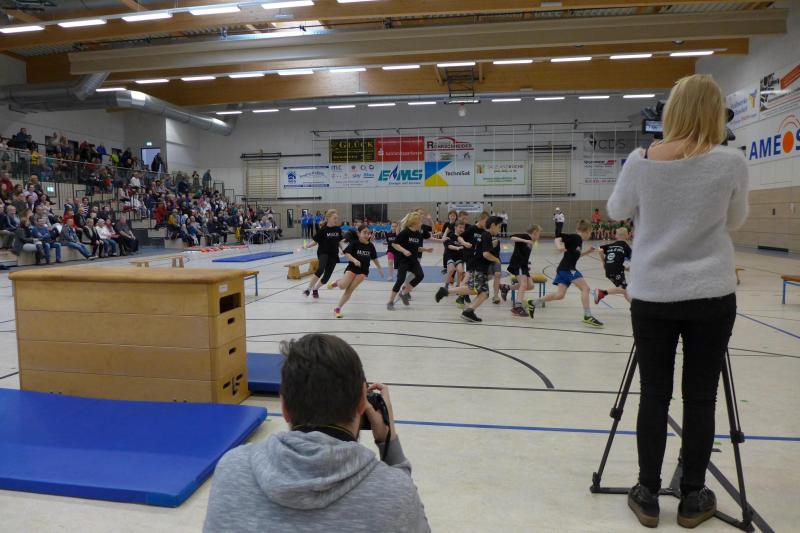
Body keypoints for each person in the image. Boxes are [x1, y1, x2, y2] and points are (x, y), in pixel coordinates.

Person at [607, 74, 749, 529]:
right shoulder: (731, 162)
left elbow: (616, 210)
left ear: (673, 111)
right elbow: (736, 220)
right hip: (711, 293)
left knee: (654, 393)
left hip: (653, 294)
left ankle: (647, 492)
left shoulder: (642, 160)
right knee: (701, 396)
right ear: (715, 113)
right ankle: (692, 496)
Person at [204, 334, 429, 532]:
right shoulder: (394, 493)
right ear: (363, 401)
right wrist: (389, 443)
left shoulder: (232, 469)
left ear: (284, 407)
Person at [525, 220, 602, 328]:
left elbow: (574, 255)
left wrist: (587, 252)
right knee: (585, 288)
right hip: (567, 269)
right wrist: (559, 246)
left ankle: (533, 303)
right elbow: (558, 238)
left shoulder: (578, 241)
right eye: (590, 233)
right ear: (587, 231)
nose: (590, 235)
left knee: (560, 295)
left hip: (563, 269)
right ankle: (587, 316)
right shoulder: (576, 237)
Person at [435, 216, 503, 323]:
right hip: (478, 266)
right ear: (493, 225)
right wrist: (496, 260)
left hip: (479, 266)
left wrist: (491, 244)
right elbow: (485, 254)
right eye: (499, 227)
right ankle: (447, 293)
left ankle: (468, 311)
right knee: (476, 290)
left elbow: (482, 248)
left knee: (483, 293)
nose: (499, 230)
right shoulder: (486, 235)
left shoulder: (485, 235)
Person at [329, 225, 384, 318]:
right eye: (364, 233)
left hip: (363, 271)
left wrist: (379, 268)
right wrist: (354, 260)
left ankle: (337, 309)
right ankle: (337, 282)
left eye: (368, 233)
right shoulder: (354, 243)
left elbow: (374, 258)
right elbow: (347, 254)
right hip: (352, 268)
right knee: (342, 286)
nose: (366, 235)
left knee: (350, 290)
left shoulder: (370, 246)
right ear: (359, 234)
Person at [387, 212, 432, 310]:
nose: (421, 223)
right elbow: (394, 244)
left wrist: (426, 250)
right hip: (403, 260)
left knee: (420, 275)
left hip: (413, 259)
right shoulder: (405, 232)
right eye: (420, 221)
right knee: (400, 279)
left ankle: (404, 293)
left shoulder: (418, 234)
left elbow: (415, 248)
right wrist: (404, 250)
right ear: (414, 222)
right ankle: (390, 302)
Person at [302, 209, 343, 299]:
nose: (336, 220)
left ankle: (315, 289)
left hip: (333, 254)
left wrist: (343, 249)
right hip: (323, 252)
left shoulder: (338, 229)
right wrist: (307, 246)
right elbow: (315, 241)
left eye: (337, 218)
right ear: (328, 218)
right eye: (334, 218)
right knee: (320, 269)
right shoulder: (323, 230)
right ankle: (308, 289)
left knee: (326, 277)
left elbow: (339, 241)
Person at [506, 225, 542, 316]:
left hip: (524, 266)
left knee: (530, 285)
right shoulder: (525, 236)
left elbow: (524, 254)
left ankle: (506, 288)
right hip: (518, 264)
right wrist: (525, 240)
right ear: (534, 232)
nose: (539, 236)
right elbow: (512, 237)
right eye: (539, 233)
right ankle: (518, 307)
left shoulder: (532, 242)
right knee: (523, 284)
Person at [594, 227, 633, 304]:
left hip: (608, 269)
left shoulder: (611, 245)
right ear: (627, 235)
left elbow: (600, 250)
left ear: (616, 236)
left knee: (623, 289)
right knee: (623, 288)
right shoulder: (625, 246)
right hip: (617, 270)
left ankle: (633, 306)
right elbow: (633, 259)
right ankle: (602, 292)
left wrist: (603, 262)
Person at [442, 221, 466, 289]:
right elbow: (449, 246)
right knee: (451, 270)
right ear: (455, 227)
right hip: (450, 256)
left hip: (459, 257)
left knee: (460, 271)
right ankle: (446, 285)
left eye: (463, 228)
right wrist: (457, 248)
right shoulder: (450, 235)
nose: (462, 229)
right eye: (460, 227)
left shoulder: (464, 237)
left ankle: (458, 286)